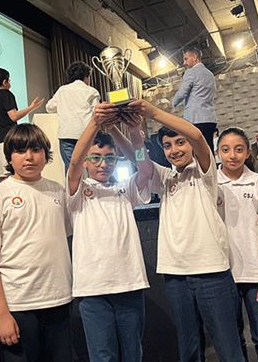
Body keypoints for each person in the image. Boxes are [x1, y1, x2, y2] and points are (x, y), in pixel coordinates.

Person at [126, 99, 245, 362]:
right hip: (176, 274)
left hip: (211, 272)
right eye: (167, 145)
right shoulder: (165, 177)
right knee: (188, 347)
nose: (174, 150)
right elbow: (141, 163)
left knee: (228, 346)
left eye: (180, 142)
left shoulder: (205, 171)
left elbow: (198, 137)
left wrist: (153, 112)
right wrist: (134, 133)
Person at [0, 123, 73, 362]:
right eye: (20, 151)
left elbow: (63, 237)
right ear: (9, 156)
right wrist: (1, 313)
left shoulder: (58, 191)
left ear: (46, 154)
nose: (29, 157)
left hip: (59, 299)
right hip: (18, 304)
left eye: (36, 150)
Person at [67, 103, 153, 361]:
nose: (103, 164)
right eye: (95, 158)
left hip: (130, 285)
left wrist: (133, 132)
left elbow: (145, 168)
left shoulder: (126, 189)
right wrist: (94, 123)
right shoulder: (77, 191)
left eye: (110, 158)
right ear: (87, 161)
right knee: (102, 357)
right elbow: (74, 162)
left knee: (132, 354)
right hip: (93, 290)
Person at [217, 127, 258, 361]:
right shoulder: (211, 183)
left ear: (248, 153)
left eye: (238, 149)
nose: (232, 155)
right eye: (226, 150)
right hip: (222, 274)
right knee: (233, 339)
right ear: (217, 152)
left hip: (255, 274)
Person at [0, 67, 43, 188]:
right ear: (4, 82)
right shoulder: (6, 94)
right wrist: (32, 107)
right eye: (9, 80)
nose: (10, 83)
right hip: (4, 139)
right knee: (11, 173)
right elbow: (14, 116)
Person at [46, 61, 100, 172]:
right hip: (87, 135)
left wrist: (62, 106)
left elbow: (49, 107)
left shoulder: (62, 90)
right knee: (91, 168)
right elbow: (97, 111)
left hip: (66, 134)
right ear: (86, 76)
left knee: (71, 170)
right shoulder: (92, 91)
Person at [172, 47, 217, 152]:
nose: (184, 63)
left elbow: (182, 92)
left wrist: (173, 103)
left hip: (195, 119)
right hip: (210, 119)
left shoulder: (191, 72)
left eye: (186, 59)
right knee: (208, 150)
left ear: (195, 58)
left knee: (195, 152)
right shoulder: (210, 74)